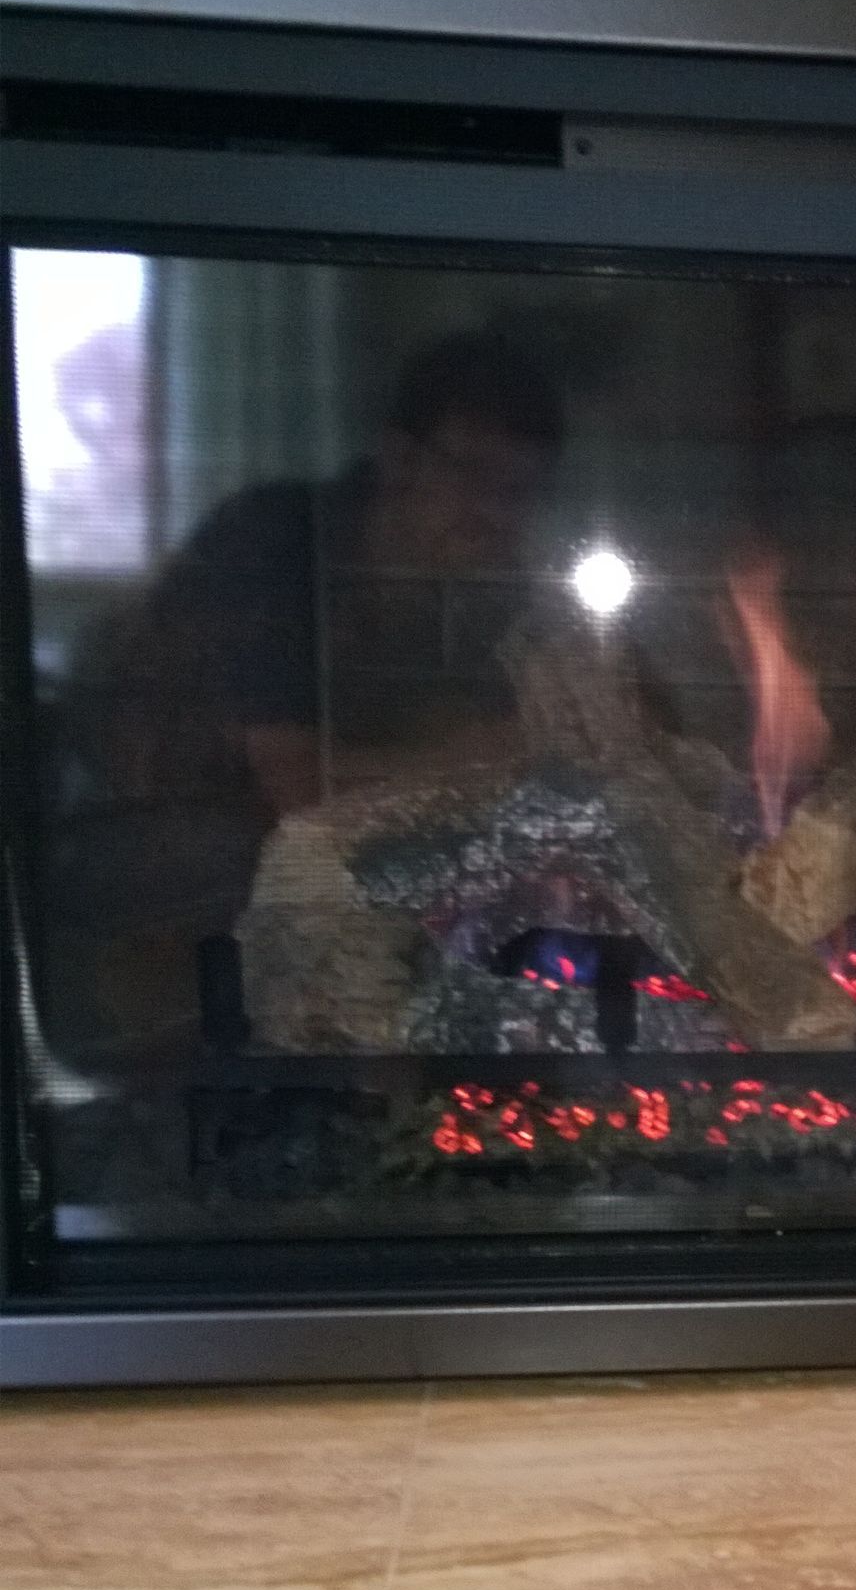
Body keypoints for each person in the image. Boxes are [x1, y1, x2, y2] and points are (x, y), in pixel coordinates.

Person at [44, 326, 565, 1050]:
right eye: (471, 475)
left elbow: (559, 738)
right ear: (399, 456)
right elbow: (292, 788)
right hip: (143, 865)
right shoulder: (279, 541)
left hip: (306, 869)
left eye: (517, 490)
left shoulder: (480, 585)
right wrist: (482, 754)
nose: (493, 512)